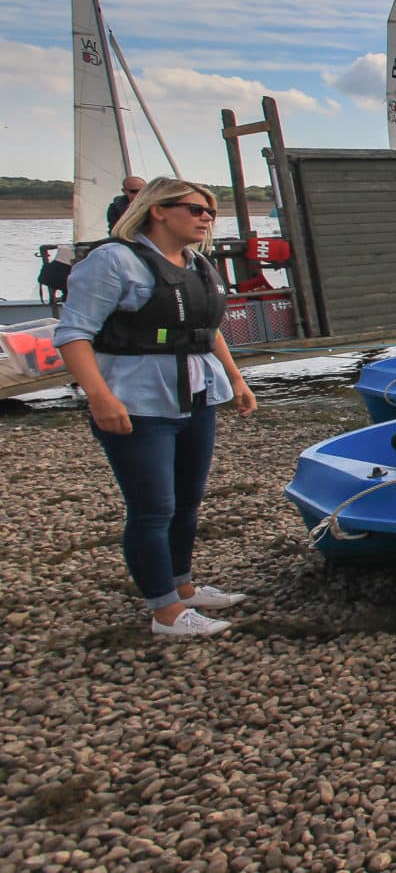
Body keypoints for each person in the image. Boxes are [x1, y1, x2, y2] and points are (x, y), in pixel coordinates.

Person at [54, 178, 258, 637]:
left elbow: (208, 330)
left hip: (196, 395)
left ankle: (182, 587)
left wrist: (236, 378)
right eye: (195, 208)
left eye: (210, 210)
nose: (206, 217)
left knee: (187, 501)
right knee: (153, 508)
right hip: (138, 401)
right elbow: (73, 334)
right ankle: (163, 612)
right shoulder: (115, 262)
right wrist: (100, 396)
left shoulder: (197, 264)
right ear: (157, 211)